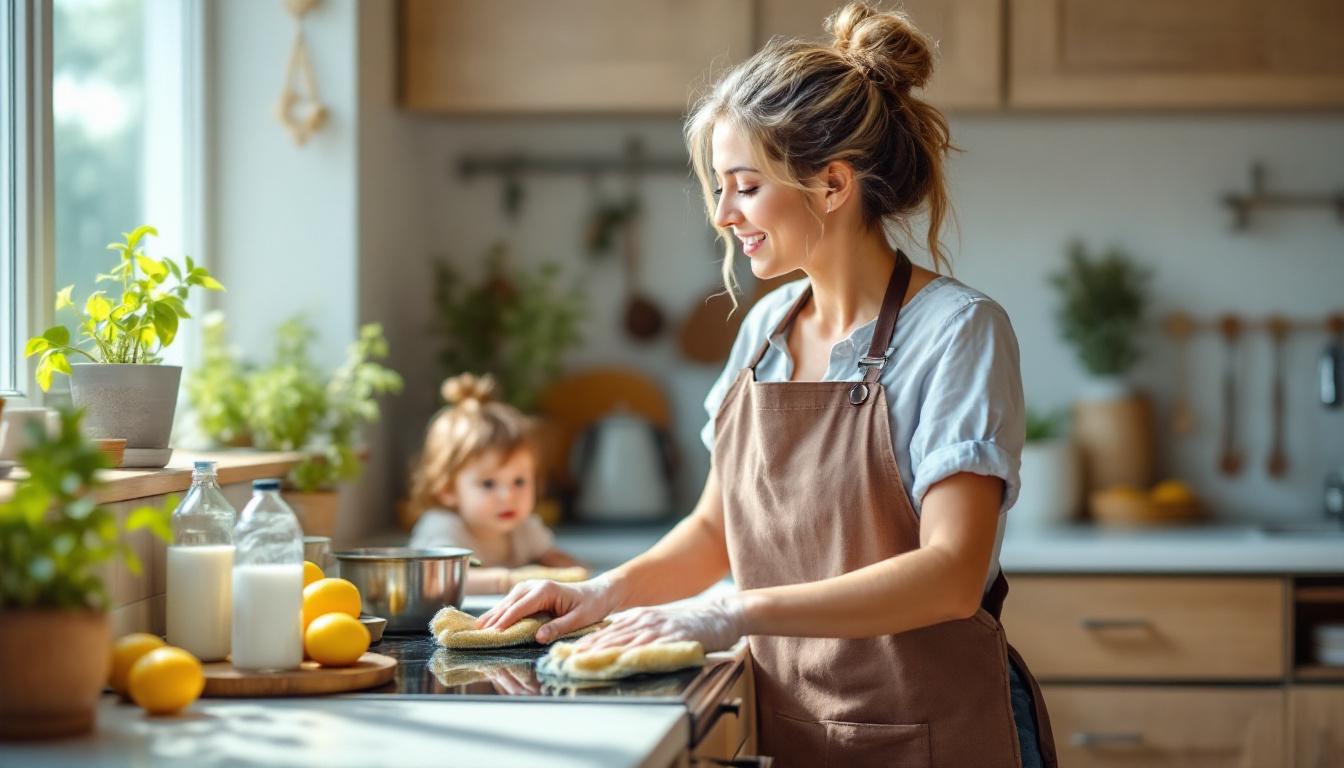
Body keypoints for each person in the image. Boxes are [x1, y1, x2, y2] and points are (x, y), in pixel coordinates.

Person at [477, 3, 1056, 765]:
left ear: (833, 184)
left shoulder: (956, 332)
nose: (723, 215)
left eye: (744, 187)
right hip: (790, 724)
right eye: (720, 188)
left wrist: (729, 612)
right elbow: (716, 530)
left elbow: (949, 577)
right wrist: (602, 593)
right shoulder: (767, 329)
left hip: (931, 733)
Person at [407, 373, 583, 594]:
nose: (508, 496)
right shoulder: (443, 527)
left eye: (519, 481)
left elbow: (557, 561)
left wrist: (570, 572)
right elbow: (433, 581)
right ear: (447, 489)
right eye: (489, 484)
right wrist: (508, 581)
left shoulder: (524, 528)